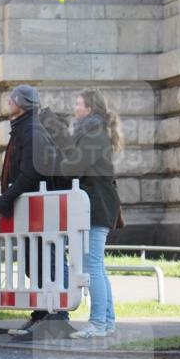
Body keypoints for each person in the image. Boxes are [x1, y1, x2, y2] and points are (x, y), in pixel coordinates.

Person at [0, 85, 69, 339]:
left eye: (11, 100)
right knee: (33, 264)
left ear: (20, 103)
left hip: (41, 211)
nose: (8, 103)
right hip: (32, 210)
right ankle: (42, 314)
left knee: (46, 263)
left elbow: (32, 172)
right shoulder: (25, 128)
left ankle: (55, 315)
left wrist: (7, 198)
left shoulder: (32, 130)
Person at [61, 90, 123, 339]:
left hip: (96, 206)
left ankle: (98, 323)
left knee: (93, 266)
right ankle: (106, 321)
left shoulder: (93, 133)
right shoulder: (92, 131)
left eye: (78, 103)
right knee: (97, 265)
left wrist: (58, 163)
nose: (75, 107)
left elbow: (75, 166)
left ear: (89, 108)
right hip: (96, 205)